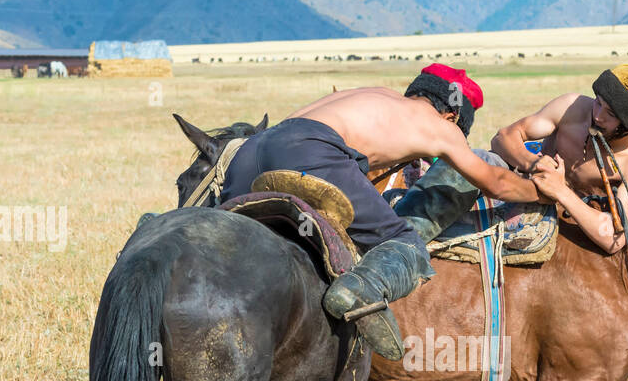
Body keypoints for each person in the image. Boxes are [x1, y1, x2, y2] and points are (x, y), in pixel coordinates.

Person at [217, 64, 539, 359]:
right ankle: (357, 292)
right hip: (311, 150)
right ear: (453, 117)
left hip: (248, 154)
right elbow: (495, 182)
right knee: (406, 243)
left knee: (228, 253)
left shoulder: (377, 97)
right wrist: (542, 191)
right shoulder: (442, 127)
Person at [491, 64, 628, 253]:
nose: (597, 116)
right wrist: (532, 163)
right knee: (485, 161)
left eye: (610, 114)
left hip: (576, 220)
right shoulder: (571, 106)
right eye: (598, 102)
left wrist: (560, 191)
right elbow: (502, 138)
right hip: (527, 185)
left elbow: (615, 239)